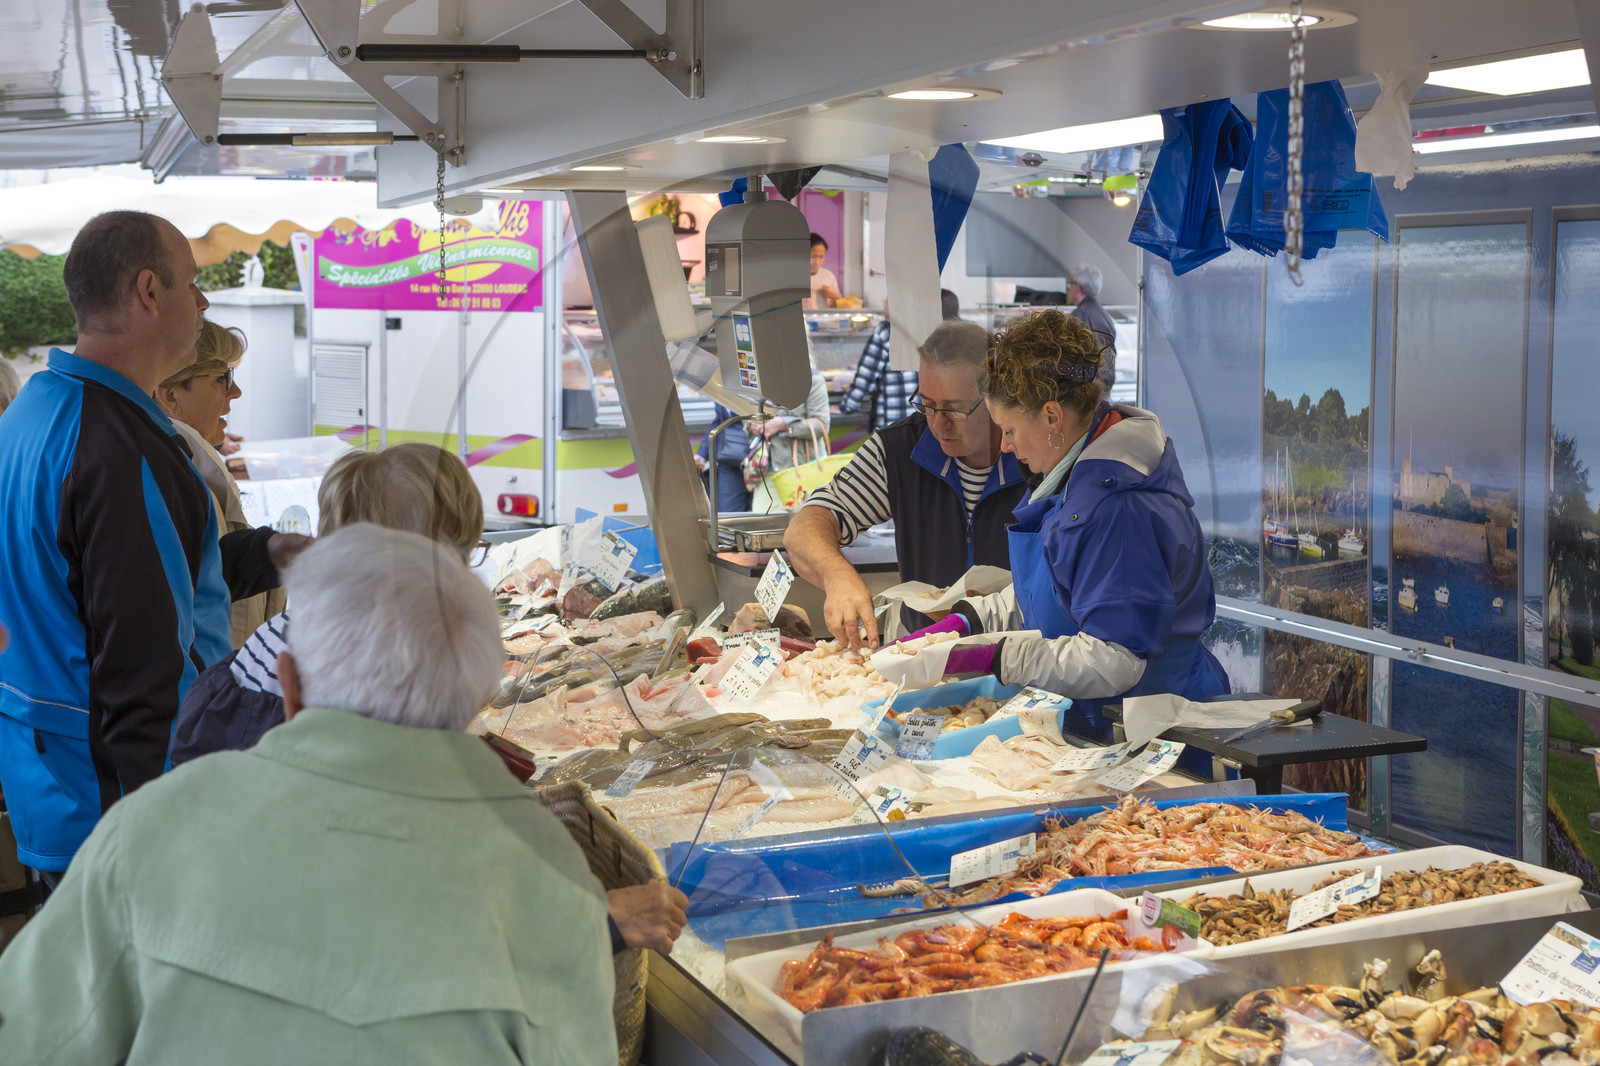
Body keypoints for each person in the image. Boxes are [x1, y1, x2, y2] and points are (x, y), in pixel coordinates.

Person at [0, 525, 620, 1066]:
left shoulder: (153, 824)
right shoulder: (548, 866)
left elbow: (32, 1043)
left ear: (289, 687)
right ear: (476, 702)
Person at [168, 441, 690, 957]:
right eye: (464, 556)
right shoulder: (370, 708)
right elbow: (396, 911)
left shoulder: (244, 669)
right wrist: (598, 918)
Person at [0, 210, 301, 886]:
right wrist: (178, 832)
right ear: (148, 291)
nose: (201, 302)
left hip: (53, 780)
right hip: (124, 810)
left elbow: (133, 580)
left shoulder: (36, 411)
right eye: (192, 283)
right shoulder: (117, 450)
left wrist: (270, 549)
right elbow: (144, 667)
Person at [922, 310, 1228, 736]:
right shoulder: (1075, 476)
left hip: (1150, 733)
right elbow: (1059, 587)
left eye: (1008, 429)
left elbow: (1116, 659)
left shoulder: (1118, 509)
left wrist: (1000, 656)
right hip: (1103, 722)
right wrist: (971, 619)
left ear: (1051, 416)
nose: (1006, 447)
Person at [785, 320, 1027, 648]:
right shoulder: (900, 448)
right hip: (922, 660)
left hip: (1020, 658)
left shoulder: (1032, 454)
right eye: (927, 404)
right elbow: (805, 527)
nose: (938, 424)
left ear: (995, 398)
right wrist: (836, 574)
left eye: (955, 409)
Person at [154, 320, 286, 648]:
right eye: (222, 378)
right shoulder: (172, 474)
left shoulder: (185, 461)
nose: (235, 391)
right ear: (171, 396)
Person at [836, 288, 959, 434]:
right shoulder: (935, 331)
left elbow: (866, 377)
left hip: (893, 421)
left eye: (886, 301)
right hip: (926, 420)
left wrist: (846, 407)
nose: (884, 305)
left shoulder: (885, 332)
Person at [748, 366, 831, 513]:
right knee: (762, 522)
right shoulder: (756, 380)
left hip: (802, 467)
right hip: (767, 469)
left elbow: (821, 425)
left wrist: (782, 424)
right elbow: (747, 417)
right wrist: (752, 425)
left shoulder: (812, 381)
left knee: (804, 525)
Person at [1068, 264, 1118, 397]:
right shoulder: (1104, 315)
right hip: (1103, 389)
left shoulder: (1080, 315)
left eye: (1069, 285)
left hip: (1089, 392)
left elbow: (1072, 355)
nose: (1068, 290)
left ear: (1077, 286)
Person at [695, 402, 754, 512]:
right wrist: (702, 453)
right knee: (727, 512)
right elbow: (721, 421)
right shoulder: (720, 389)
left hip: (759, 459)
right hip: (728, 460)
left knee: (763, 510)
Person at [803, 232, 841, 309]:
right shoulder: (792, 276)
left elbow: (835, 307)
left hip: (823, 320)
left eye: (821, 257)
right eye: (813, 256)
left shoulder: (828, 275)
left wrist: (836, 297)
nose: (817, 262)